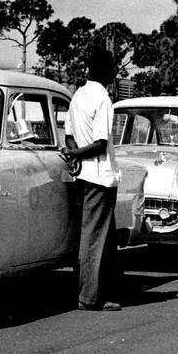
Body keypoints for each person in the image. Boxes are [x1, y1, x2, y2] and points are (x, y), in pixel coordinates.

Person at [61, 48, 122, 311]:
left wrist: (74, 153)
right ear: (105, 71)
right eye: (112, 68)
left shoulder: (78, 95)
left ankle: (103, 290)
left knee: (105, 238)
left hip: (82, 175)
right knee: (94, 237)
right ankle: (89, 296)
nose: (115, 73)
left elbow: (69, 134)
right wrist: (76, 153)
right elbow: (100, 143)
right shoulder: (102, 98)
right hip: (99, 176)